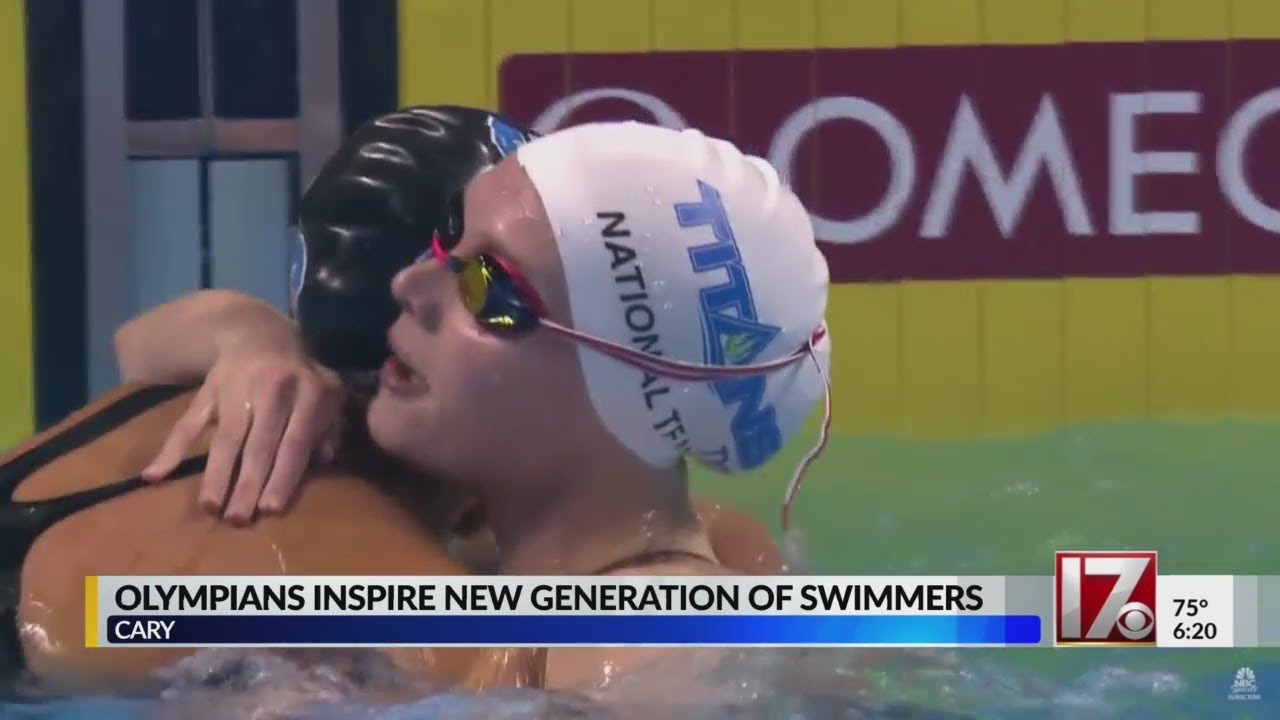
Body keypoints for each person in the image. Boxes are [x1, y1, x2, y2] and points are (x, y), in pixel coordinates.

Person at [1, 108, 784, 695]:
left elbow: (137, 341)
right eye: (464, 269)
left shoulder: (259, 389)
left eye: (486, 279)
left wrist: (247, 333)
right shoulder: (305, 537)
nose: (422, 287)